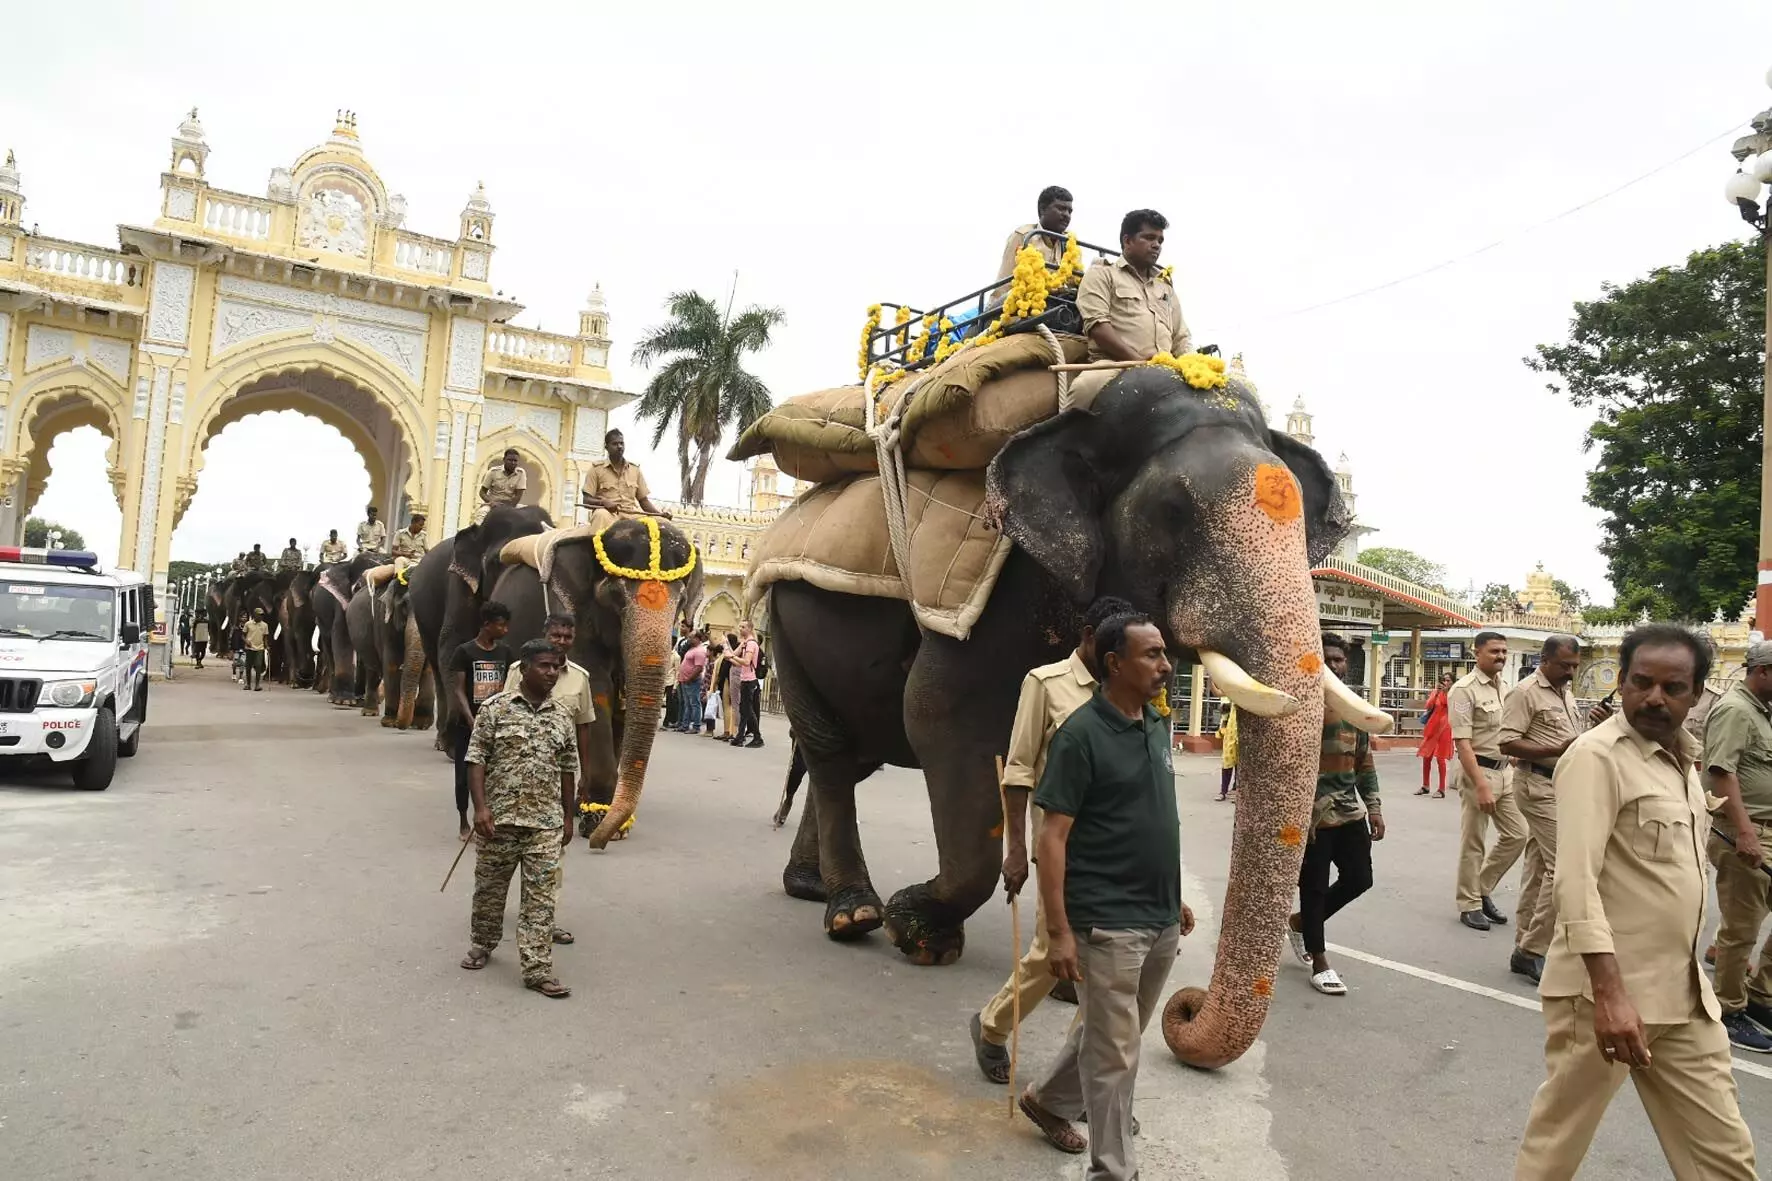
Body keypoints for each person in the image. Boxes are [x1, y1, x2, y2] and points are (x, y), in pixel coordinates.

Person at [1514, 624, 1757, 1180]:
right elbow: (1574, 882)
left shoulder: (1683, 759)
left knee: (1724, 1155)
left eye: (1673, 687)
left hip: (1684, 997)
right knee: (1556, 1148)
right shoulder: (1597, 757)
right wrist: (1610, 995)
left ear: (1696, 694)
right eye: (1641, 682)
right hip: (1605, 998)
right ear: (1621, 681)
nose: (1654, 697)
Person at [1018, 613, 1194, 1180]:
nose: (1165, 664)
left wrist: (1174, 895)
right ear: (1114, 663)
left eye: (1164, 653)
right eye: (1151, 654)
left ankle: (1048, 1099)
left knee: (1115, 1033)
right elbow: (1052, 837)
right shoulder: (1080, 736)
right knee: (1116, 1054)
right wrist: (1059, 932)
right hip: (1108, 922)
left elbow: (1153, 819)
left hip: (1160, 915)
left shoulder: (1156, 725)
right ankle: (1115, 1171)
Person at [970, 595, 1133, 1086]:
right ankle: (992, 1026)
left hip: (1113, 850)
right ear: (1088, 637)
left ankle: (1081, 1076)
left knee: (1109, 963)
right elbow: (1018, 771)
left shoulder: (1122, 690)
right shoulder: (1045, 684)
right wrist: (1016, 849)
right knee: (1050, 954)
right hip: (1059, 848)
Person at [457, 639, 580, 1001]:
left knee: (540, 899)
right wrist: (480, 808)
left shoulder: (562, 716)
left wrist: (568, 817)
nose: (552, 673)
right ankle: (483, 942)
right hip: (499, 821)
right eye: (544, 666)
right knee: (490, 889)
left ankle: (537, 969)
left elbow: (568, 768)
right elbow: (476, 759)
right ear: (524, 669)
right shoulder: (495, 709)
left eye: (556, 667)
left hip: (545, 824)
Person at [1283, 633, 1383, 996]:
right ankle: (1320, 960)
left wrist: (1374, 807)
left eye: (1339, 660)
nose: (1335, 666)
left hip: (1347, 810)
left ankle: (1301, 923)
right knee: (1313, 885)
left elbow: (1364, 761)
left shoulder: (1354, 707)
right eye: (1327, 660)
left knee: (1360, 878)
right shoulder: (1296, 705)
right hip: (1310, 815)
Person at [1499, 636, 1587, 986]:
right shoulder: (1525, 692)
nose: (1570, 672)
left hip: (1562, 784)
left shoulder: (1566, 692)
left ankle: (1525, 941)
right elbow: (1507, 742)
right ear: (1545, 660)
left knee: (1538, 867)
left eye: (1575, 666)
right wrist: (1556, 748)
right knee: (1563, 867)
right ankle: (1532, 949)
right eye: (1564, 665)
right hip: (1537, 785)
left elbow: (1571, 740)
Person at [1701, 640, 1772, 1053]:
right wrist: (1745, 833)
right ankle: (1729, 1009)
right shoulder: (1735, 710)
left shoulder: (1762, 712)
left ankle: (1761, 996)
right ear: (1762, 672)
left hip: (1766, 829)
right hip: (1745, 832)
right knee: (1741, 928)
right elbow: (1721, 772)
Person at [1069, 209, 1193, 406]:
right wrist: (1140, 364)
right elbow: (1098, 328)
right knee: (1083, 387)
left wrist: (1193, 366)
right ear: (1127, 241)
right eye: (1149, 238)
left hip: (1168, 368)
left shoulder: (1165, 287)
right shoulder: (1101, 274)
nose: (1156, 245)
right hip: (1115, 365)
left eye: (1160, 240)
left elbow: (1181, 337)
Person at [502, 613, 596, 869]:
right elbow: (502, 715)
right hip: (515, 772)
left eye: (568, 636)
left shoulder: (580, 678)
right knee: (505, 851)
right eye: (556, 635)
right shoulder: (517, 671)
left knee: (549, 857)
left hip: (556, 777)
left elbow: (583, 727)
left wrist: (585, 774)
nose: (562, 641)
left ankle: (544, 890)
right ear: (545, 634)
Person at [1451, 631, 1526, 931]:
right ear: (1477, 653)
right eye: (1494, 651)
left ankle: (1481, 888)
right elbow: (1463, 743)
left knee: (1518, 834)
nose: (1501, 656)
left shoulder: (1504, 687)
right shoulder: (1463, 690)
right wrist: (1481, 784)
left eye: (1504, 652)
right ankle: (1469, 904)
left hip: (1505, 771)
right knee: (1474, 842)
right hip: (1478, 773)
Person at [448, 602, 514, 839]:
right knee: (463, 776)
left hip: (497, 724)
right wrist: (470, 717)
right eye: (501, 625)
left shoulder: (505, 652)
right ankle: (463, 821)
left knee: (494, 773)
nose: (505, 630)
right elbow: (458, 689)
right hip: (468, 726)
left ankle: (490, 818)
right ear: (487, 625)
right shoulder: (464, 652)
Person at [582, 429, 669, 531]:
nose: (619, 446)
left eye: (621, 443)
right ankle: (595, 541)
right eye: (615, 444)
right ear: (606, 447)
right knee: (600, 515)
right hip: (608, 514)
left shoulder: (635, 470)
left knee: (663, 523)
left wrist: (660, 514)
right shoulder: (596, 469)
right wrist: (603, 502)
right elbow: (586, 500)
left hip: (632, 514)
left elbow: (643, 501)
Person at [995, 184, 1073, 282]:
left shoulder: (1070, 243)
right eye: (1061, 209)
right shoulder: (1024, 236)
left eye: (1069, 211)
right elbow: (1004, 281)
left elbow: (1076, 281)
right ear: (1043, 209)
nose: (1067, 215)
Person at [1417, 672, 1455, 796]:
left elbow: (1450, 705)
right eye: (1444, 680)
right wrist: (1436, 693)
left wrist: (1445, 692)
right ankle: (1425, 785)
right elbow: (1428, 705)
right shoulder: (1436, 692)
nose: (1445, 682)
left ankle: (1441, 789)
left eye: (1448, 680)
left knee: (1440, 758)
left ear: (1453, 682)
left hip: (1445, 727)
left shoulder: (1453, 693)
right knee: (1426, 756)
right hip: (1433, 726)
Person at [729, 622, 763, 748]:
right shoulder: (745, 643)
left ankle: (757, 737)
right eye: (740, 627)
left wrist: (732, 656)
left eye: (743, 627)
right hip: (745, 679)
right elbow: (738, 661)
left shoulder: (751, 644)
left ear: (750, 629)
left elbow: (746, 662)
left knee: (748, 710)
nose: (740, 629)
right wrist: (731, 657)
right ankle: (740, 736)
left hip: (750, 680)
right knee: (744, 709)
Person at [476, 448, 528, 524]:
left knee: (531, 513)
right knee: (481, 513)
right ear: (504, 460)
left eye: (515, 461)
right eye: (510, 460)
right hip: (493, 505)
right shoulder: (493, 472)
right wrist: (491, 502)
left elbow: (518, 495)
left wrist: (508, 508)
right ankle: (478, 531)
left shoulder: (521, 473)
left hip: (510, 505)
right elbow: (482, 492)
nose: (513, 463)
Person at [676, 631, 708, 734]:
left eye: (691, 637)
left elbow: (699, 668)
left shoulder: (699, 651)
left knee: (694, 703)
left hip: (692, 681)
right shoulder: (691, 649)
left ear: (697, 639)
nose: (689, 639)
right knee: (687, 704)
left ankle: (696, 726)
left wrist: (690, 678)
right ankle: (685, 725)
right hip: (685, 680)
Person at [240, 607, 270, 692]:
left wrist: (266, 646)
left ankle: (257, 685)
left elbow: (265, 637)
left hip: (260, 648)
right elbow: (243, 635)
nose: (261, 616)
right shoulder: (248, 624)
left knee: (258, 666)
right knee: (248, 666)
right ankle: (248, 684)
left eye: (262, 615)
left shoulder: (265, 625)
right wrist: (246, 641)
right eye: (259, 615)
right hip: (250, 648)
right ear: (254, 615)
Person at [1215, 698, 1238, 801]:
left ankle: (1236, 790)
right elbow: (1223, 711)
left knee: (1240, 763)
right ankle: (1223, 791)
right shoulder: (1231, 696)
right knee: (1227, 761)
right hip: (1230, 732)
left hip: (1243, 732)